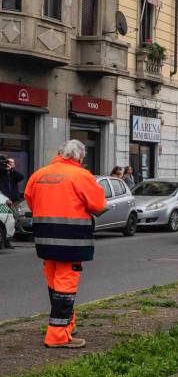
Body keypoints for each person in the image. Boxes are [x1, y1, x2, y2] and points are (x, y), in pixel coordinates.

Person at [23, 140, 106, 348]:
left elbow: (30, 201)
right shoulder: (81, 176)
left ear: (61, 153)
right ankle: (58, 335)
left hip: (44, 241)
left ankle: (68, 324)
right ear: (80, 157)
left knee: (54, 284)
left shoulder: (39, 174)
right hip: (71, 241)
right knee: (66, 286)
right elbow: (99, 205)